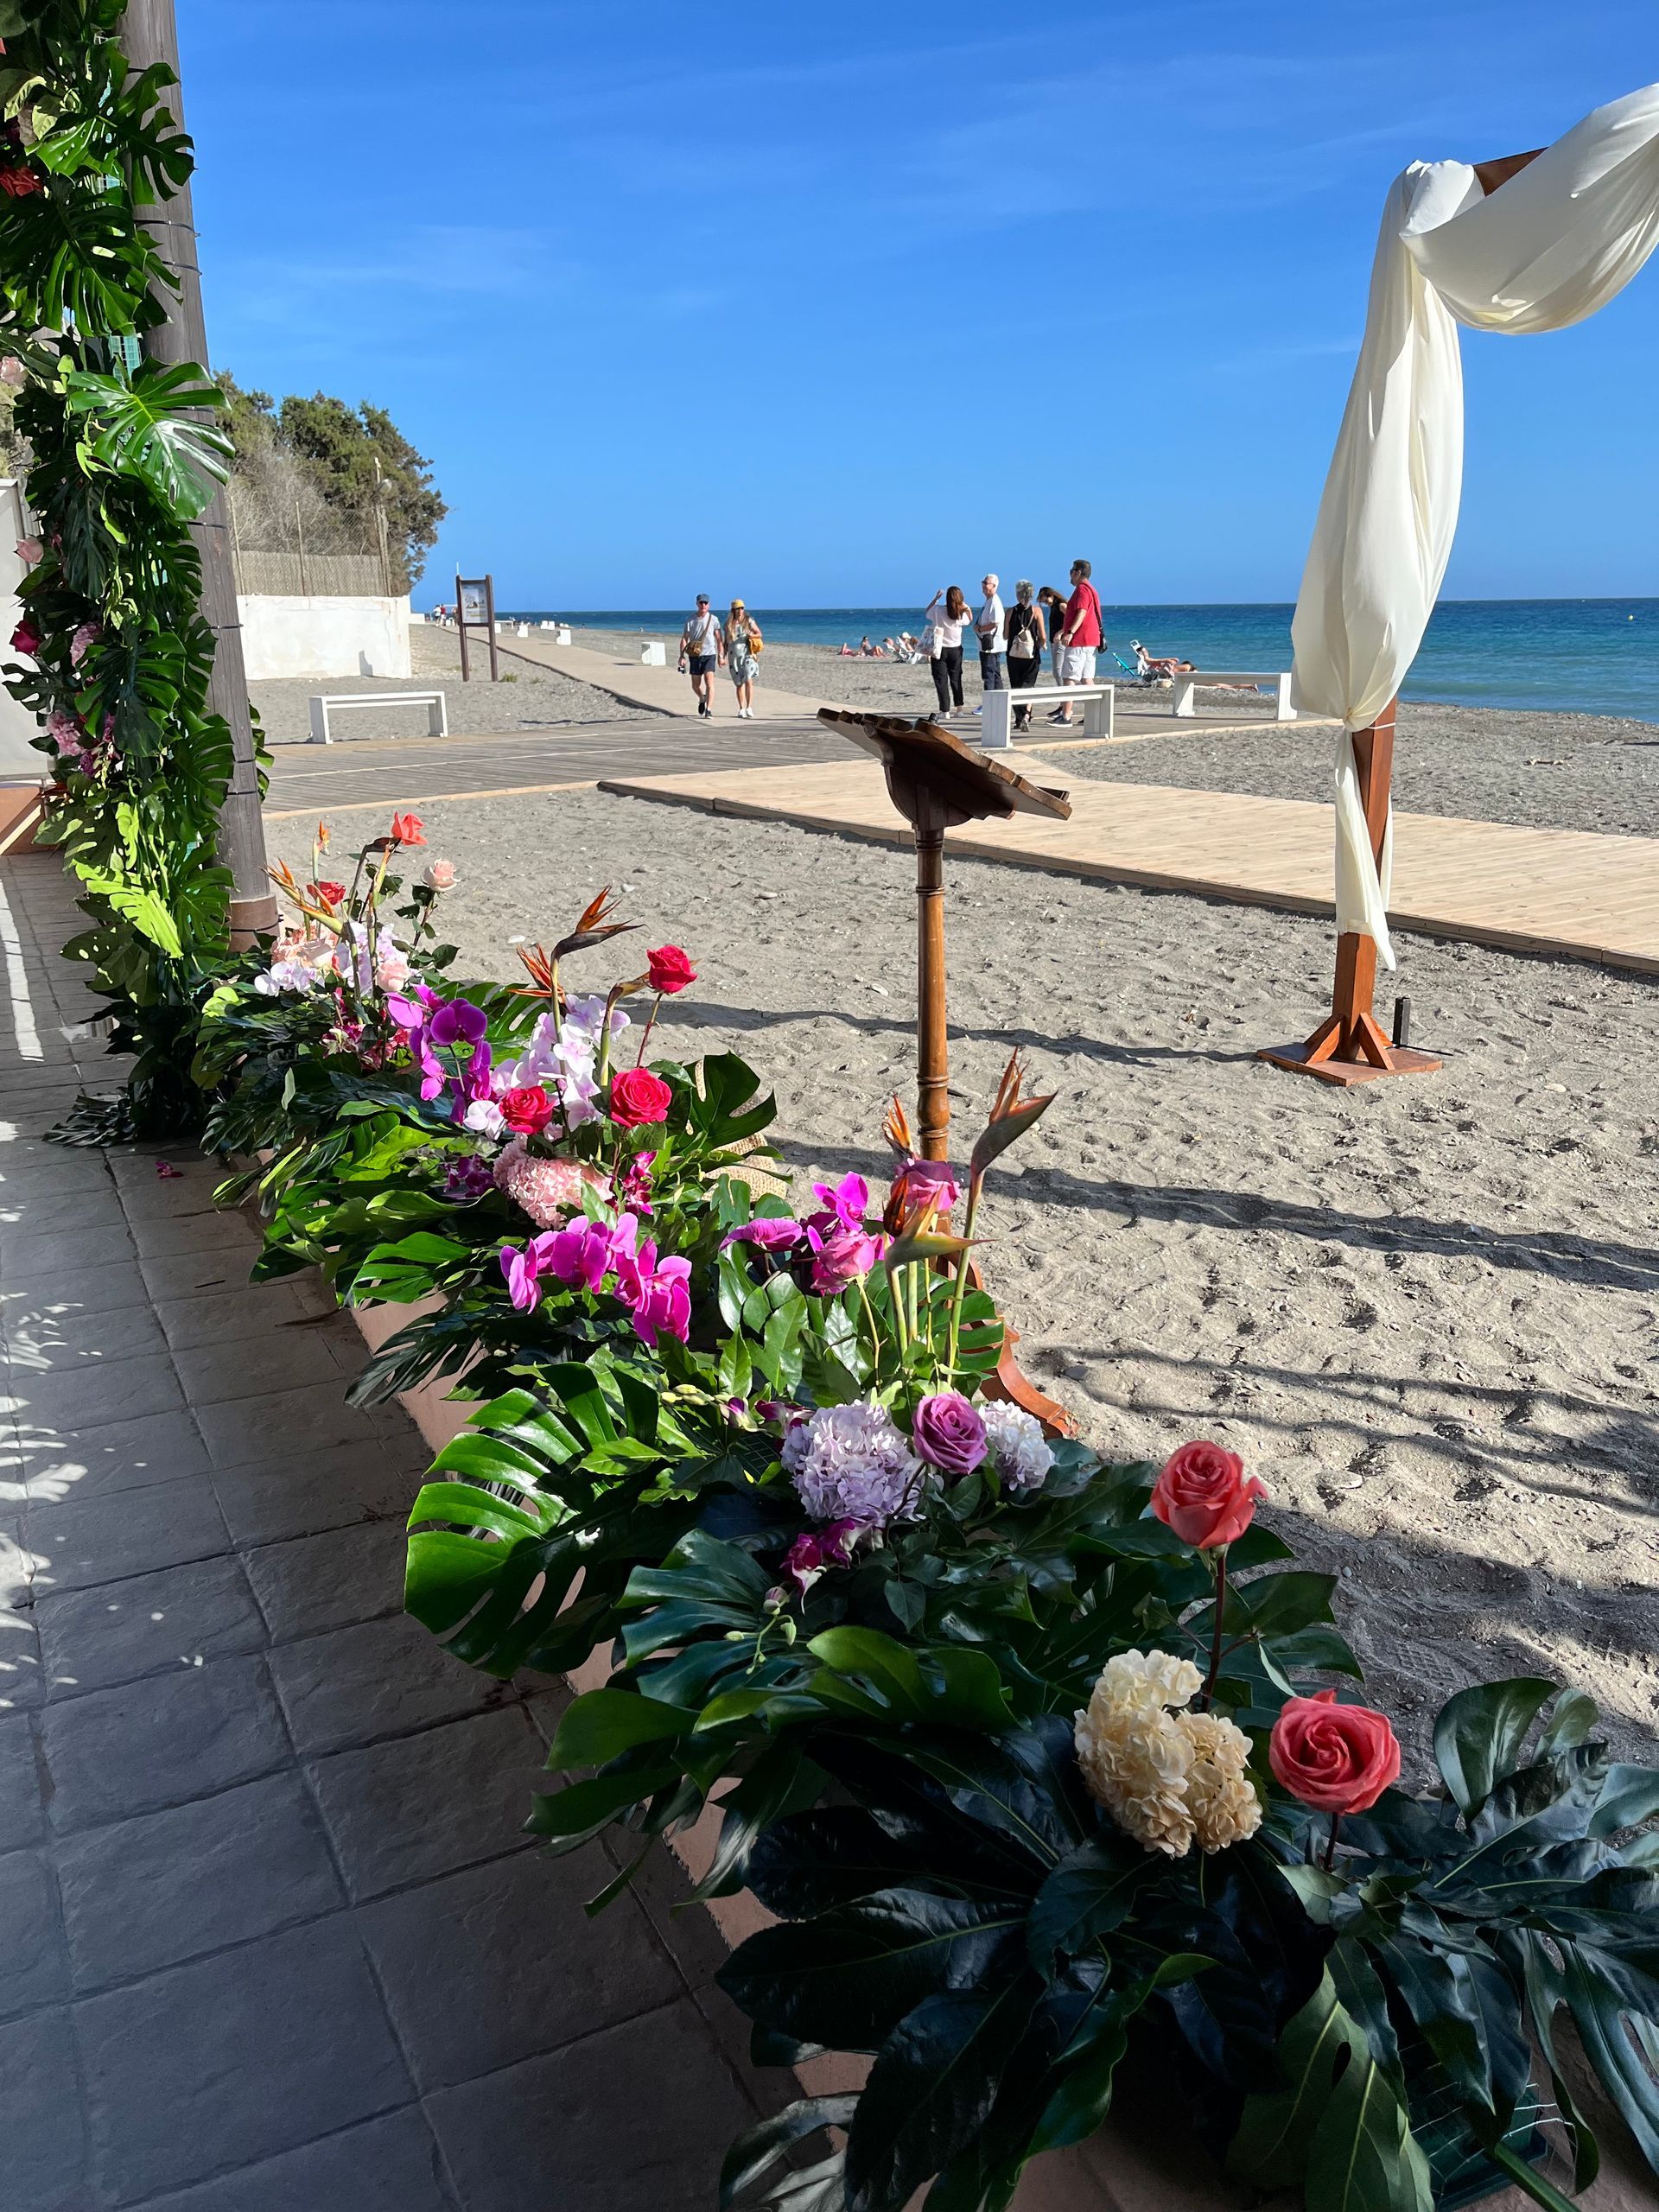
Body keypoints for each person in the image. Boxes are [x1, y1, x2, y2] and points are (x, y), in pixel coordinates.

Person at [1050, 557, 1103, 725]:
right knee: (1087, 678)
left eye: (1072, 571)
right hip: (1090, 640)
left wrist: (1070, 632)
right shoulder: (1090, 589)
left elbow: (1081, 612)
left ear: (1079, 573)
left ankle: (1066, 716)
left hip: (1080, 640)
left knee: (1069, 677)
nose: (1070, 574)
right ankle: (1095, 713)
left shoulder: (1082, 590)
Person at [1004, 581, 1046, 731]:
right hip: (1032, 655)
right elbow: (1043, 636)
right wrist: (1042, 643)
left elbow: (1005, 635)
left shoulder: (1010, 612)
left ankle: (1019, 718)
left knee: (1015, 686)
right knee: (1028, 686)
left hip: (1013, 655)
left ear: (1017, 594)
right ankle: (1026, 716)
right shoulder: (1037, 611)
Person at [923, 585, 969, 716]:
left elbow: (927, 612)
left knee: (941, 680)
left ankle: (945, 710)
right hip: (955, 649)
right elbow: (969, 618)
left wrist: (936, 598)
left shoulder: (938, 610)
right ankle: (959, 709)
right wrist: (962, 604)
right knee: (956, 678)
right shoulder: (960, 613)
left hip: (940, 648)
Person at [679, 594, 724, 717]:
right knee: (695, 685)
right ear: (697, 604)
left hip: (710, 654)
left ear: (709, 605)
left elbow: (719, 639)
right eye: (701, 603)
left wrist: (721, 656)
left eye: (705, 603)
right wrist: (681, 656)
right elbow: (685, 638)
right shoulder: (691, 620)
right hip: (695, 655)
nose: (703, 605)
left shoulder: (714, 619)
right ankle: (702, 698)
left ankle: (708, 709)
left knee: (709, 681)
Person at [726, 598, 761, 718]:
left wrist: (751, 635)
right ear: (733, 610)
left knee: (749, 680)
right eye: (737, 609)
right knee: (739, 683)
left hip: (747, 654)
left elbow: (759, 633)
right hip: (734, 656)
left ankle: (749, 707)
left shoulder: (749, 621)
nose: (740, 611)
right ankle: (741, 708)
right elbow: (726, 642)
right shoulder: (728, 624)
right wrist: (722, 656)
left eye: (742, 608)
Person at [975, 573, 1007, 697]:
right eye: (983, 582)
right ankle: (999, 701)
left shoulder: (994, 602)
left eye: (986, 583)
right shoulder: (988, 601)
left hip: (991, 646)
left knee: (988, 674)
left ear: (994, 586)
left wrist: (980, 628)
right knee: (994, 673)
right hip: (987, 644)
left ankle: (989, 703)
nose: (983, 585)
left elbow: (995, 623)